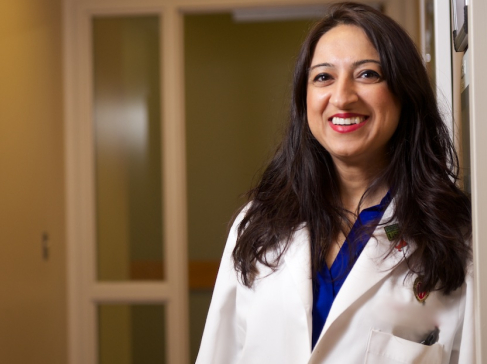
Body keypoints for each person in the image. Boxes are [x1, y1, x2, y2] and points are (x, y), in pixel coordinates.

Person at [196, 2, 473, 364]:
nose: (342, 97)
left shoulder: (457, 237)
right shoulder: (259, 226)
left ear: (405, 93)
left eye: (368, 74)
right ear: (304, 99)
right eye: (323, 77)